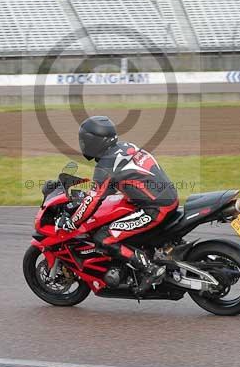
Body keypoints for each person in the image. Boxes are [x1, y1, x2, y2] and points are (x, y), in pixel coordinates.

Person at [63, 115, 179, 293]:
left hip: (154, 209)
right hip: (166, 198)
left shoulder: (106, 165)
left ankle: (150, 269)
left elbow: (94, 199)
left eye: (85, 141)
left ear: (95, 142)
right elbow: (127, 180)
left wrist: (73, 222)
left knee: (104, 237)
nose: (83, 145)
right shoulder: (126, 147)